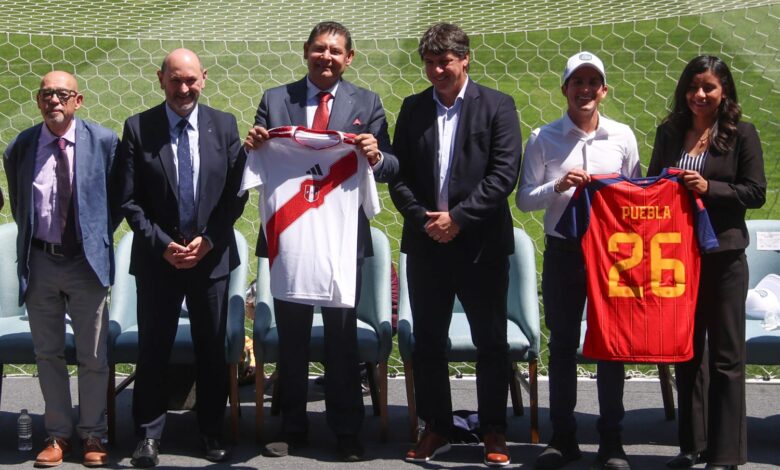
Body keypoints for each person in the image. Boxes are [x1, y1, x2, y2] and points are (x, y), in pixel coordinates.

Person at [243, 21, 397, 462]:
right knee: (291, 338)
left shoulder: (366, 103)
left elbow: (391, 166)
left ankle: (346, 430)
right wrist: (252, 143)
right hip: (290, 239)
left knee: (341, 338)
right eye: (318, 49)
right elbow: (254, 158)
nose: (326, 57)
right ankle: (291, 426)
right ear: (305, 52)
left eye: (335, 51)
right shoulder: (276, 100)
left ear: (349, 59)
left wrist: (376, 155)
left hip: (342, 240)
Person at [390, 23, 522, 467]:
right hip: (427, 243)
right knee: (428, 341)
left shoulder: (498, 107)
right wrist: (426, 220)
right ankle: (437, 427)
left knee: (491, 341)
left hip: (480, 245)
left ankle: (493, 429)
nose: (437, 70)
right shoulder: (412, 109)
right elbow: (398, 174)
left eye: (445, 61)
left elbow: (503, 175)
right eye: (429, 62)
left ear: (466, 59)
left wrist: (459, 219)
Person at [118, 48, 247, 467]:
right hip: (159, 262)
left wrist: (209, 239)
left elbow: (236, 194)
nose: (184, 88)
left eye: (191, 79)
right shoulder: (138, 128)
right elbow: (130, 200)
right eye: (176, 80)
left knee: (212, 347)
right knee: (154, 349)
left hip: (210, 261)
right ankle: (148, 436)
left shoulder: (224, 126)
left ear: (204, 78)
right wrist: (162, 244)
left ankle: (211, 431)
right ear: (161, 79)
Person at [516, 52, 641, 470]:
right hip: (564, 253)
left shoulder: (622, 136)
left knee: (610, 346)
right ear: (565, 89)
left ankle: (611, 442)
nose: (585, 90)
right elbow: (524, 199)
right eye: (577, 82)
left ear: (604, 90)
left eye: (593, 82)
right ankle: (563, 437)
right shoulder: (543, 137)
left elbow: (635, 192)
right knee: (564, 345)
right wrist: (558, 185)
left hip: (611, 256)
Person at [648, 55, 766, 470]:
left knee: (726, 355)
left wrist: (708, 187)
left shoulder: (741, 135)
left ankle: (726, 452)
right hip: (679, 257)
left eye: (709, 88)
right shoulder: (670, 132)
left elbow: (755, 192)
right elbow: (651, 186)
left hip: (725, 256)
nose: (700, 95)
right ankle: (692, 443)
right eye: (694, 87)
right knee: (686, 351)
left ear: (724, 92)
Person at [3, 71, 121, 467]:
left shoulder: (104, 142)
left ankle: (93, 435)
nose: (54, 100)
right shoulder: (22, 146)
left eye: (62, 94)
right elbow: (21, 204)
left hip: (87, 262)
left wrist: (93, 237)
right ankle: (57, 435)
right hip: (41, 262)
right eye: (47, 94)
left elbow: (118, 198)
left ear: (78, 100)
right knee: (47, 354)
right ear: (38, 101)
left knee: (93, 355)